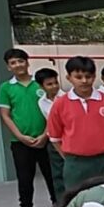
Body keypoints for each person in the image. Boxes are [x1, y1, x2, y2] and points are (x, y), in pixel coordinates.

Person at [47, 56, 104, 193]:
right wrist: (70, 158)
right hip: (75, 163)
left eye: (88, 76)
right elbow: (55, 138)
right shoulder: (60, 104)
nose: (84, 81)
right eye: (78, 77)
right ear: (68, 77)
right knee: (76, 200)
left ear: (94, 76)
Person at [0, 48, 55, 207]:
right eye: (13, 62)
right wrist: (20, 136)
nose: (18, 65)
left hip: (46, 139)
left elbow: (53, 111)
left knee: (52, 174)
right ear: (8, 67)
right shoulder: (6, 88)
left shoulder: (40, 84)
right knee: (24, 177)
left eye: (20, 61)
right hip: (20, 142)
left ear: (27, 62)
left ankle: (59, 206)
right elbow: (5, 115)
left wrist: (44, 135)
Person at [36, 68, 66, 199]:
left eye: (55, 83)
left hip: (69, 138)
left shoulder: (66, 98)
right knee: (57, 175)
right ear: (41, 86)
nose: (54, 86)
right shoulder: (41, 102)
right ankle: (61, 204)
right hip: (54, 140)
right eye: (49, 84)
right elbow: (50, 122)